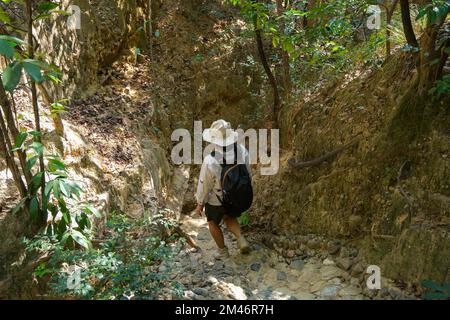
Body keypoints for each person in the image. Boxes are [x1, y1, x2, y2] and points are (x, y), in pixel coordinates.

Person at [195, 119, 251, 259]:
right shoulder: (242, 151)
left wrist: (200, 203)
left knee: (212, 222)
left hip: (217, 199)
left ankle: (223, 251)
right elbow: (248, 173)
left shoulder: (210, 160)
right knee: (229, 216)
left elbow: (204, 184)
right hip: (235, 196)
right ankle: (240, 238)